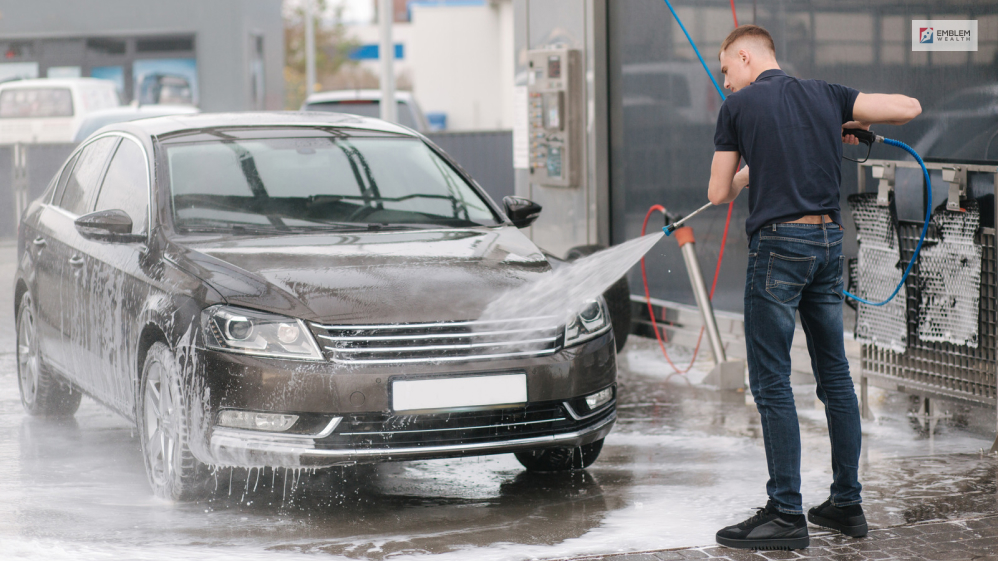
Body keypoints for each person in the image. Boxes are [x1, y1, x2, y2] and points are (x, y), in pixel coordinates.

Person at [706, 25, 921, 551]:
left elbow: (716, 193)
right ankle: (847, 504)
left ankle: (785, 513)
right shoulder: (827, 94)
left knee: (773, 383)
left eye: (726, 69)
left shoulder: (737, 109)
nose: (726, 82)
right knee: (835, 376)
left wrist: (748, 171)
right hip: (828, 245)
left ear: (746, 55)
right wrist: (842, 120)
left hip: (779, 249)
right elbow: (909, 108)